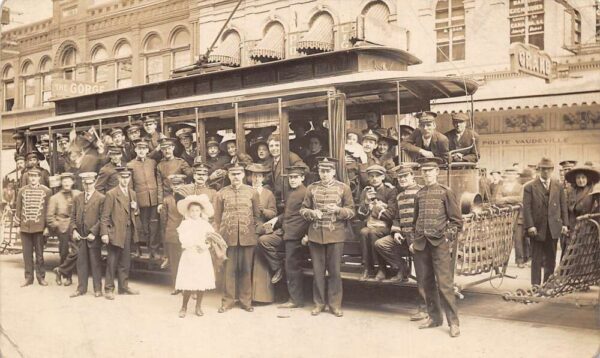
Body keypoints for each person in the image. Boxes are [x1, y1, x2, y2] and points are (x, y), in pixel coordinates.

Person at [412, 158, 462, 338]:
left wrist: (446, 238)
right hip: (421, 244)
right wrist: (414, 239)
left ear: (437, 172)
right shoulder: (419, 194)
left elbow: (456, 221)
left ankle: (453, 322)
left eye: (430, 170)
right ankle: (434, 318)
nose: (426, 174)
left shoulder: (445, 192)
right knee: (426, 282)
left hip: (439, 244)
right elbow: (415, 220)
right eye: (424, 171)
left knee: (444, 284)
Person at [300, 157, 355, 317]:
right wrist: (311, 213)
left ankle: (335, 305)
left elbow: (352, 211)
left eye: (327, 171)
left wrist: (338, 210)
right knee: (317, 272)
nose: (324, 174)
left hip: (335, 235)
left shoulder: (343, 188)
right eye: (321, 171)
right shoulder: (311, 188)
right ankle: (319, 304)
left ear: (333, 172)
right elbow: (303, 210)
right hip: (315, 235)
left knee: (335, 272)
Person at [374, 164, 428, 321]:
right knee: (381, 244)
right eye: (400, 177)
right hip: (403, 236)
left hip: (418, 237)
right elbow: (397, 217)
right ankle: (402, 268)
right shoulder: (399, 196)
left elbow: (422, 218)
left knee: (422, 274)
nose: (403, 180)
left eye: (406, 176)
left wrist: (413, 238)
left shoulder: (421, 192)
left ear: (413, 176)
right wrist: (396, 231)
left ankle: (424, 308)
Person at [258, 164, 310, 308]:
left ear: (302, 178)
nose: (292, 180)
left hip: (296, 235)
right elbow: (289, 213)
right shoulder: (291, 192)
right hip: (285, 231)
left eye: (295, 177)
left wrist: (306, 235)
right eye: (291, 178)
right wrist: (276, 219)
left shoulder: (306, 192)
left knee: (292, 267)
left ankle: (295, 300)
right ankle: (277, 267)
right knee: (264, 240)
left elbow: (308, 216)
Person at [213, 162, 262, 313]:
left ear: (243, 175)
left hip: (247, 237)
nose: (236, 177)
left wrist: (253, 231)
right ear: (228, 175)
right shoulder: (221, 193)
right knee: (229, 270)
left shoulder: (252, 192)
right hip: (228, 237)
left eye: (238, 174)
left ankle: (245, 301)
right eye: (233, 174)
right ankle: (227, 301)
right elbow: (217, 217)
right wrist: (220, 238)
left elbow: (256, 215)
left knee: (246, 269)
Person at [522, 157, 569, 286]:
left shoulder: (558, 186)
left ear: (552, 170)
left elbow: (563, 206)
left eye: (548, 169)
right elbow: (526, 209)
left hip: (553, 227)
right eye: (543, 169)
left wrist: (565, 224)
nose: (546, 172)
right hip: (537, 228)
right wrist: (530, 226)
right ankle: (536, 286)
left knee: (551, 258)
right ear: (539, 170)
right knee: (536, 259)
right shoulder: (530, 187)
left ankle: (548, 284)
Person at [101, 167, 141, 300]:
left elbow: (135, 213)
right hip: (115, 232)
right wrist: (105, 233)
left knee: (125, 261)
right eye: (122, 177)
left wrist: (135, 210)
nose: (125, 180)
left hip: (128, 231)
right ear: (118, 178)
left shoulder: (132, 193)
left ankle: (123, 287)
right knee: (112, 261)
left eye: (127, 177)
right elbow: (105, 216)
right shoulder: (111, 194)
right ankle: (108, 289)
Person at [175, 194, 219, 317]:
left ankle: (198, 306)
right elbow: (182, 239)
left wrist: (205, 246)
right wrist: (193, 245)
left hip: (202, 255)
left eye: (197, 210)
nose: (195, 213)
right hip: (190, 254)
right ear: (188, 212)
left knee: (201, 282)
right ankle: (183, 306)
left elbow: (210, 239)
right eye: (192, 210)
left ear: (201, 212)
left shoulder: (205, 224)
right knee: (188, 282)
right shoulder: (185, 224)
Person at [356, 165, 397, 280]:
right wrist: (366, 201)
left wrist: (374, 208)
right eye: (371, 176)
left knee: (373, 233)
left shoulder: (390, 190)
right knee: (364, 232)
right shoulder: (366, 191)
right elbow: (360, 216)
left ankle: (381, 268)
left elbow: (392, 214)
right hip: (370, 225)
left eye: (377, 176)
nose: (374, 179)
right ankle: (367, 269)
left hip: (386, 226)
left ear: (383, 177)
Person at [68, 172, 105, 298]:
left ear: (94, 183)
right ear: (82, 183)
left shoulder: (101, 198)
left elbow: (103, 219)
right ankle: (81, 289)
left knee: (95, 263)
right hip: (80, 236)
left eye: (90, 183)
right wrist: (74, 230)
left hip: (93, 237)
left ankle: (97, 289)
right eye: (85, 183)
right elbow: (72, 217)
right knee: (81, 263)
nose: (88, 186)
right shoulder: (78, 198)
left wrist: (94, 233)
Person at [14, 168, 52, 287]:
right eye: (31, 176)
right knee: (26, 254)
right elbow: (18, 209)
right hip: (25, 227)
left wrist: (47, 227)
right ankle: (28, 278)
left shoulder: (47, 191)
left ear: (39, 177)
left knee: (40, 255)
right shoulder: (22, 191)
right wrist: (17, 225)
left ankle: (41, 277)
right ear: (28, 177)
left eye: (35, 176)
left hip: (39, 228)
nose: (33, 178)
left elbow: (48, 211)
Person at [246, 163, 278, 304]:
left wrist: (263, 210)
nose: (256, 178)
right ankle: (245, 296)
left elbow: (273, 213)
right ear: (249, 177)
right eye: (254, 175)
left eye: (259, 176)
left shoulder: (268, 194)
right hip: (246, 230)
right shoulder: (245, 190)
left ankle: (261, 297)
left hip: (260, 229)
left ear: (263, 178)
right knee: (246, 262)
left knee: (259, 263)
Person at [157, 137, 193, 257]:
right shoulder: (160, 165)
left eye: (168, 148)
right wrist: (160, 202)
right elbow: (159, 184)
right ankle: (168, 254)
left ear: (173, 148)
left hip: (180, 197)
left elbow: (190, 174)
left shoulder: (180, 162)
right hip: (166, 198)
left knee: (181, 223)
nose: (166, 151)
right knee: (166, 226)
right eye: (163, 149)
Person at [127, 138, 160, 258]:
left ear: (147, 150)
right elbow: (130, 186)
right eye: (139, 149)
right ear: (135, 150)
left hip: (154, 199)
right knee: (143, 227)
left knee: (154, 226)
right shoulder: (130, 165)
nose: (141, 151)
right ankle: (142, 249)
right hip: (140, 201)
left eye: (144, 149)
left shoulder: (152, 162)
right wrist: (133, 201)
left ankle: (154, 250)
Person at [47, 172, 81, 284]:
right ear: (61, 183)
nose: (66, 183)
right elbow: (49, 216)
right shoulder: (54, 198)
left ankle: (60, 270)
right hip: (62, 227)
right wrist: (57, 225)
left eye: (69, 181)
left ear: (72, 182)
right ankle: (67, 277)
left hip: (75, 226)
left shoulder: (78, 194)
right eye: (64, 181)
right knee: (64, 253)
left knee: (77, 251)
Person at [563, 164, 599, 258]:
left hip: (586, 226)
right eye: (578, 178)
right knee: (570, 252)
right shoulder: (570, 191)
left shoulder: (592, 189)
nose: (581, 180)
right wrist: (565, 225)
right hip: (572, 225)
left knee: (585, 253)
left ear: (587, 178)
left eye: (583, 177)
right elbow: (565, 209)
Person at [495, 169, 527, 267]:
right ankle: (503, 261)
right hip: (505, 216)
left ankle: (520, 261)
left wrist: (505, 199)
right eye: (508, 174)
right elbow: (497, 200)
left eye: (512, 174)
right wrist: (512, 200)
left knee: (518, 239)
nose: (510, 176)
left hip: (518, 216)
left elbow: (521, 199)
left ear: (516, 176)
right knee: (505, 239)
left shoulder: (521, 187)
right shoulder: (501, 187)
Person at [162, 174, 187, 294]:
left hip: (186, 235)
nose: (176, 187)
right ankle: (176, 286)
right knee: (174, 262)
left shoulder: (187, 199)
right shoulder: (167, 200)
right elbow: (164, 219)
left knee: (187, 261)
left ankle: (188, 288)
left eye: (179, 184)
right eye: (174, 185)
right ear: (171, 186)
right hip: (172, 233)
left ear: (183, 185)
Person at [263, 132, 305, 202]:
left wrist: (291, 178)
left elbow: (305, 169)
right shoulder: (273, 160)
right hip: (278, 197)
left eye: (277, 145)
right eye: (271, 146)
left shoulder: (291, 156)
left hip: (289, 197)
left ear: (282, 146)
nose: (274, 148)